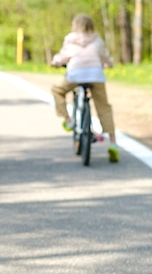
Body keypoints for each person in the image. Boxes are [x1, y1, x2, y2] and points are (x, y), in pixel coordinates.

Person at [50, 13, 119, 163]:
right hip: (96, 76)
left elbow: (62, 57)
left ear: (75, 25)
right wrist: (109, 64)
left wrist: (55, 62)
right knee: (104, 108)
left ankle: (68, 120)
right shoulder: (97, 40)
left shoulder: (70, 39)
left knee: (57, 90)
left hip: (75, 75)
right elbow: (105, 57)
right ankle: (113, 143)